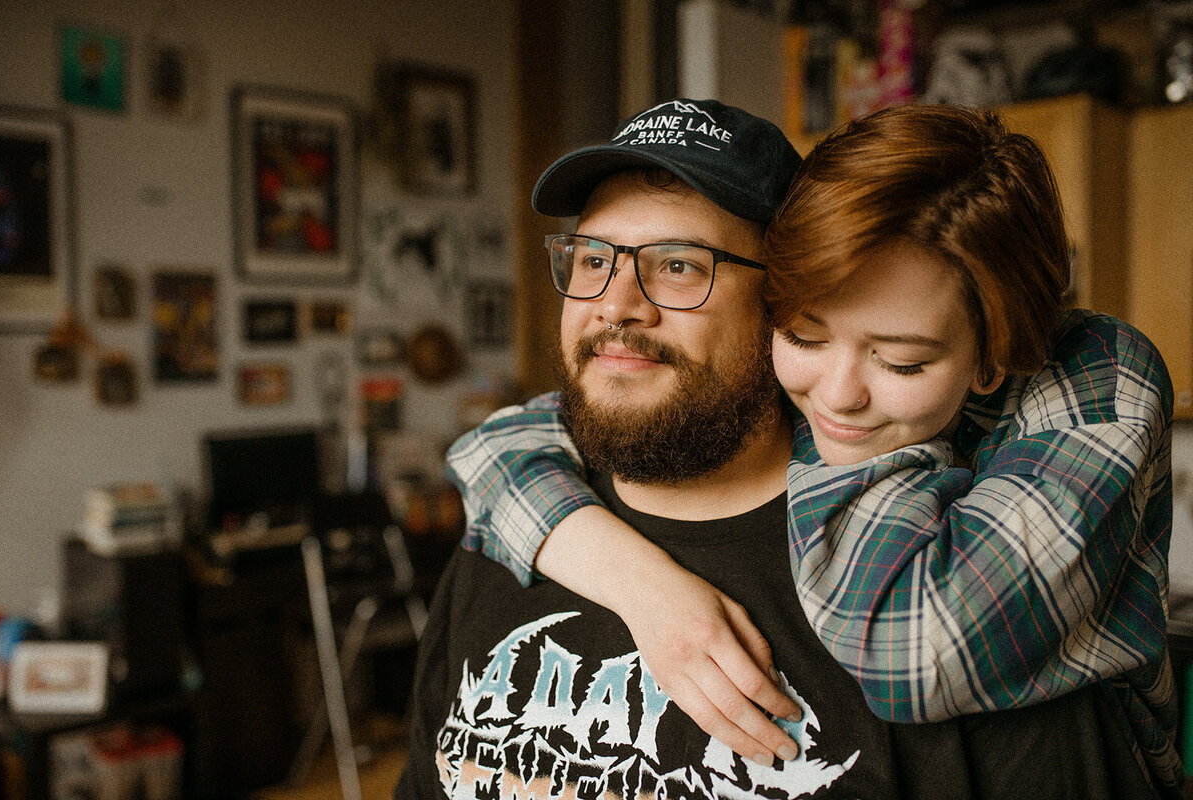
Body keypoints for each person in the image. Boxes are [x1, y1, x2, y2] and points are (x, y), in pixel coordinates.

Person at [397, 98, 1172, 799]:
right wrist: (641, 585)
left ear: (786, 291)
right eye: (594, 259)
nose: (615, 306)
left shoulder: (969, 592)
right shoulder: (503, 538)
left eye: (678, 266)